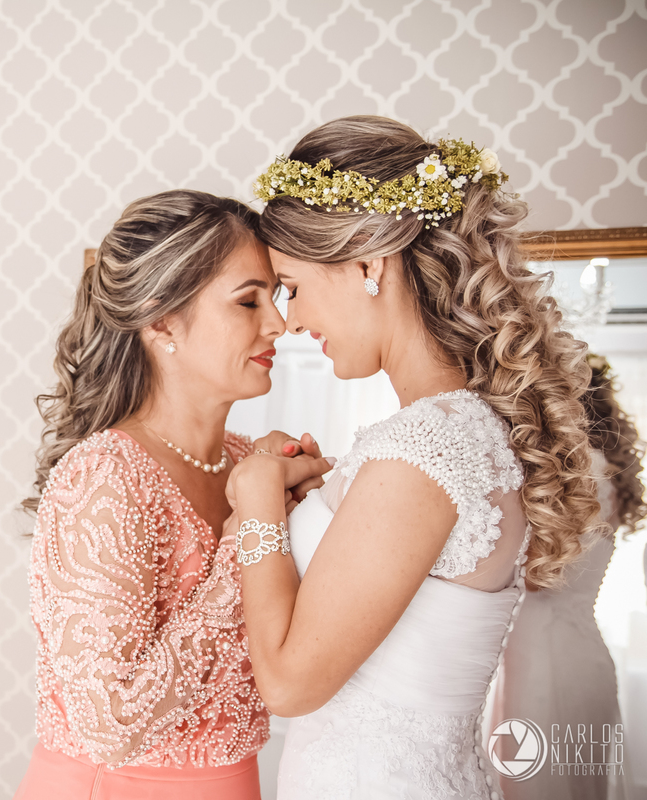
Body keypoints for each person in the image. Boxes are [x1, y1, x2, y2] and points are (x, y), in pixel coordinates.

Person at [222, 115, 599, 799]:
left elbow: (287, 683)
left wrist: (255, 494)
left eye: (293, 286)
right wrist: (323, 493)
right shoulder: (447, 437)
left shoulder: (424, 449)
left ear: (369, 264)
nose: (291, 320)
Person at [14, 190, 328, 800]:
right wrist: (250, 537)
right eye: (248, 301)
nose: (279, 324)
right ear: (160, 320)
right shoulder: (104, 475)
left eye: (277, 296)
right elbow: (112, 724)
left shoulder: (250, 464)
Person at [495, 352, 646, 800]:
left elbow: (541, 577)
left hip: (548, 657)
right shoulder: (600, 470)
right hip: (572, 648)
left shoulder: (579, 476)